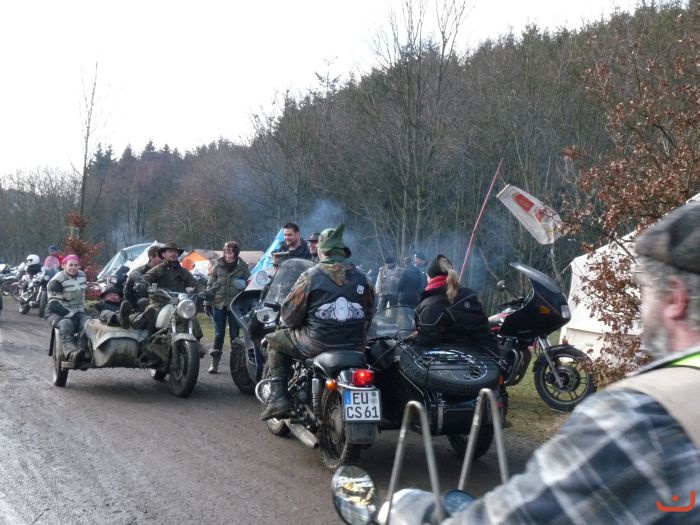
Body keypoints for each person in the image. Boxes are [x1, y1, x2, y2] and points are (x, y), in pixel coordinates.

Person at [405, 203, 700, 524]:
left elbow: (520, 515)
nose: (641, 300)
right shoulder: (467, 295)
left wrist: (416, 511)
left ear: (675, 298)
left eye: (643, 285)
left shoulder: (633, 416)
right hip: (482, 356)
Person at [261, 224, 375, 420]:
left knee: (275, 340)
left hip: (317, 343)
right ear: (342, 252)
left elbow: (289, 316)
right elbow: (369, 312)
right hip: (355, 345)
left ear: (322, 251)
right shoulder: (363, 278)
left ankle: (278, 398)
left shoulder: (310, 276)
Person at [412, 255, 498, 353]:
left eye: (427, 276)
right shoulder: (469, 295)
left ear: (431, 277)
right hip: (485, 354)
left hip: (450, 359)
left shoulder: (430, 305)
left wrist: (415, 338)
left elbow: (428, 340)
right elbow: (483, 330)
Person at [119, 242, 206, 332]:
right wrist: (142, 283)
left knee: (192, 318)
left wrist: (204, 291)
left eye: (175, 252)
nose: (173, 254)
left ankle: (194, 338)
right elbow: (146, 278)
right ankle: (133, 323)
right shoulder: (158, 269)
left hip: (179, 303)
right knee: (151, 315)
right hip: (159, 302)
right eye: (170, 251)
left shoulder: (184, 272)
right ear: (164, 254)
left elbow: (195, 283)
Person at [204, 241, 251, 374]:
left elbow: (249, 285)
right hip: (218, 304)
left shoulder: (243, 268)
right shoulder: (217, 266)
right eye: (225, 252)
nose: (227, 255)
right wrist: (207, 302)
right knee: (219, 334)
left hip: (235, 305)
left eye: (230, 253)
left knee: (235, 336)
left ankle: (236, 365)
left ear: (236, 253)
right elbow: (210, 285)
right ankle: (214, 363)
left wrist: (243, 284)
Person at [45, 254, 89, 363]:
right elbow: (54, 303)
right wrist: (72, 315)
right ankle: (71, 353)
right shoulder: (56, 281)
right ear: (64, 265)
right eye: (71, 265)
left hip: (77, 310)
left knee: (88, 322)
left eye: (76, 265)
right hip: (55, 311)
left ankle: (82, 350)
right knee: (66, 324)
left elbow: (82, 296)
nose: (74, 268)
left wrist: (84, 311)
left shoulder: (82, 275)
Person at [123, 244, 162, 310]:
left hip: (161, 302)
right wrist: (133, 307)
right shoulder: (139, 271)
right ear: (151, 257)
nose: (163, 259)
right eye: (160, 256)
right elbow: (127, 292)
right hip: (142, 305)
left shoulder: (165, 270)